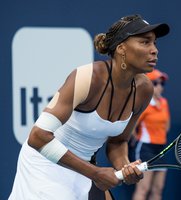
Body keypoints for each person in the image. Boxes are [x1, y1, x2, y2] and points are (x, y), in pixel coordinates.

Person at [9, 14, 170, 200]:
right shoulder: (88, 77)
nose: (154, 50)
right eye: (145, 42)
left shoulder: (144, 90)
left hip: (86, 168)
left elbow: (118, 141)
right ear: (121, 49)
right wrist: (95, 173)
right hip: (45, 163)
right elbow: (38, 137)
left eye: (155, 43)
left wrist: (125, 166)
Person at [131, 69, 171, 200]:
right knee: (143, 189)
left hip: (161, 149)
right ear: (148, 86)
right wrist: (136, 138)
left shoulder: (164, 103)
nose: (159, 87)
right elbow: (132, 127)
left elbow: (167, 126)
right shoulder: (144, 104)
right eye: (155, 83)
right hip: (145, 149)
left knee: (158, 189)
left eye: (162, 84)